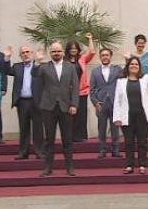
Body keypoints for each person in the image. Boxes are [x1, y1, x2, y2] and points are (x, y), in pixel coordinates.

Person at [34, 42, 79, 177]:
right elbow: (34, 75)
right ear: (50, 53)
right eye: (53, 52)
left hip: (66, 107)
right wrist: (38, 62)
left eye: (58, 51)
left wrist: (74, 105)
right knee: (49, 139)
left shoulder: (70, 67)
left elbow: (75, 87)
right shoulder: (44, 67)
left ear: (63, 53)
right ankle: (48, 167)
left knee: (68, 139)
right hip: (48, 107)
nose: (56, 54)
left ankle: (69, 167)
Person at [113, 56, 148, 174]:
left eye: (136, 64)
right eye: (131, 64)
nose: (134, 66)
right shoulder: (121, 81)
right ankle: (129, 165)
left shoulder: (145, 78)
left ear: (139, 67)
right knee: (128, 142)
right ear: (128, 66)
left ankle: (142, 165)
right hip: (127, 116)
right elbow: (117, 100)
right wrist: (117, 117)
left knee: (142, 141)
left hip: (143, 116)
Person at [7, 45, 43, 160]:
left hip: (36, 101)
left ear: (32, 53)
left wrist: (39, 62)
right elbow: (7, 71)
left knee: (38, 128)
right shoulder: (17, 67)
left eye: (28, 52)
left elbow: (42, 75)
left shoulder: (38, 66)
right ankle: (23, 152)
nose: (26, 54)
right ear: (20, 55)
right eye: (23, 53)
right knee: (23, 128)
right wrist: (7, 58)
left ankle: (39, 151)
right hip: (22, 101)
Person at [89, 48, 122, 158]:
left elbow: (125, 79)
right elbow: (92, 89)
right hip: (101, 103)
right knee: (101, 128)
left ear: (110, 56)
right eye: (103, 55)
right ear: (100, 57)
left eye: (107, 55)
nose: (105, 57)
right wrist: (95, 102)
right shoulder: (95, 71)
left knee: (115, 128)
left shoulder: (117, 69)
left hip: (114, 102)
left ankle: (115, 150)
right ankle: (102, 150)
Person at [65, 34, 96, 142]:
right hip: (68, 93)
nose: (73, 50)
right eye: (71, 48)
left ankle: (81, 136)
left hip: (82, 91)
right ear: (68, 50)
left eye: (75, 48)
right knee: (69, 115)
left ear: (78, 49)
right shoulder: (64, 61)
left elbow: (92, 52)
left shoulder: (82, 59)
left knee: (81, 115)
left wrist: (90, 39)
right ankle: (70, 136)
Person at [127, 34, 148, 110]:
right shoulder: (131, 56)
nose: (141, 45)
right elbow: (128, 69)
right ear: (135, 44)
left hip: (147, 83)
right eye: (139, 43)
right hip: (136, 83)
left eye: (142, 43)